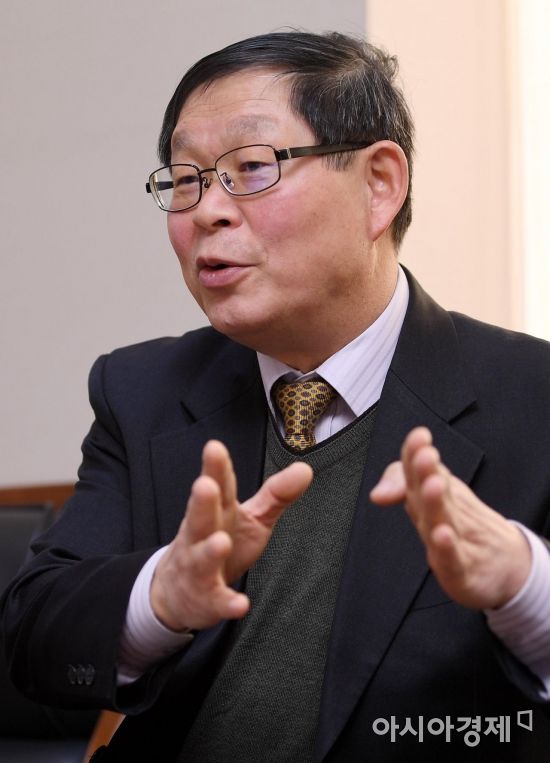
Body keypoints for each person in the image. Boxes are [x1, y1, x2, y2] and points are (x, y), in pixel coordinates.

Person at [2, 30, 550, 762]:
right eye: (186, 179)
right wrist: (160, 598)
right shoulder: (143, 392)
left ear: (379, 185)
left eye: (251, 168)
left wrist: (525, 587)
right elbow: (33, 641)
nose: (207, 211)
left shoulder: (533, 397)